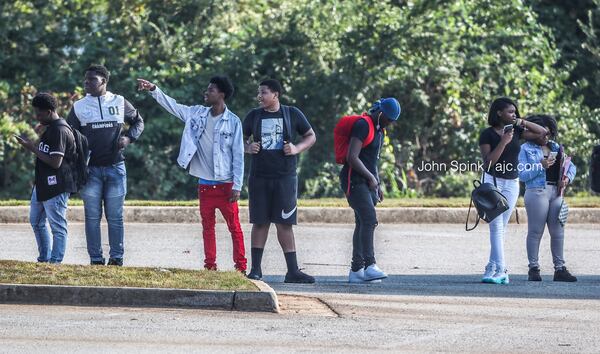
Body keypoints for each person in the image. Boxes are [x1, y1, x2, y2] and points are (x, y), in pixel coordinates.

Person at [137, 76, 247, 272]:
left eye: (211, 90)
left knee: (234, 227)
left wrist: (237, 185)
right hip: (205, 184)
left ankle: (241, 267)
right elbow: (174, 106)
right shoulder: (196, 113)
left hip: (226, 185)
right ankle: (210, 266)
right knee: (207, 227)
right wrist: (154, 89)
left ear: (221, 95)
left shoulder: (233, 122)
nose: (206, 92)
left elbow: (238, 155)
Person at [67, 64, 144, 266]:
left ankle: (116, 258)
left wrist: (128, 139)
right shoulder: (79, 107)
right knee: (92, 218)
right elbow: (68, 135)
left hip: (116, 168)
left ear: (103, 81)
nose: (86, 83)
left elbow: (138, 122)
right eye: (85, 79)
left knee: (115, 217)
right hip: (90, 171)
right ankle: (95, 259)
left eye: (91, 79)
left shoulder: (118, 101)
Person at [243, 79, 317, 283]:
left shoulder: (292, 113)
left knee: (285, 224)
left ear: (276, 95)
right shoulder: (253, 115)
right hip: (259, 177)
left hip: (285, 177)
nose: (259, 96)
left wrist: (296, 149)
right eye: (259, 93)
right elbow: (237, 139)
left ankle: (292, 271)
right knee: (260, 223)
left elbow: (311, 136)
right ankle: (256, 270)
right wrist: (247, 148)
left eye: (264, 93)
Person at [478, 97, 545, 284]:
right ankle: (502, 270)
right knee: (496, 226)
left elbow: (543, 133)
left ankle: (491, 266)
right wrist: (503, 142)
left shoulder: (517, 131)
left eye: (515, 112)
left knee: (500, 228)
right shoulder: (487, 134)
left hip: (512, 184)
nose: (513, 114)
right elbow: (489, 163)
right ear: (498, 113)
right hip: (492, 182)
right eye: (510, 112)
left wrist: (521, 122)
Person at [340, 98, 400, 283]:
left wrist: (377, 183)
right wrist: (371, 178)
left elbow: (372, 160)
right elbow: (352, 157)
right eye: (389, 120)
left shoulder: (379, 130)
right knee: (369, 220)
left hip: (366, 182)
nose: (390, 124)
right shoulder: (363, 125)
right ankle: (369, 265)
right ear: (381, 114)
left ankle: (356, 271)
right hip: (354, 181)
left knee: (362, 223)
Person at [16, 93, 76, 264]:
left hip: (56, 186)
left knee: (57, 227)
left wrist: (31, 147)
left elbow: (55, 162)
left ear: (50, 112)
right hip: (42, 185)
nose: (37, 117)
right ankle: (44, 259)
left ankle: (55, 263)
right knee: (36, 222)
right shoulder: (51, 128)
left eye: (39, 114)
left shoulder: (60, 130)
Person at [518, 115, 577, 282]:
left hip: (556, 192)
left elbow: (571, 167)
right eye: (543, 134)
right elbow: (522, 174)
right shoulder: (525, 149)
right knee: (536, 231)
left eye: (548, 134)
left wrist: (566, 179)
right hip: (537, 191)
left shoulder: (556, 147)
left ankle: (560, 269)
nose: (546, 137)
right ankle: (534, 268)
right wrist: (540, 166)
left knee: (558, 232)